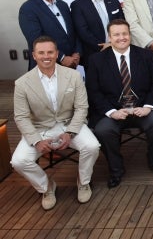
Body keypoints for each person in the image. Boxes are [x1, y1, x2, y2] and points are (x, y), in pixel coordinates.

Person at [11, 36, 100, 210]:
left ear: (57, 54)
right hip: (39, 129)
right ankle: (46, 187)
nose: (46, 56)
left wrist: (70, 132)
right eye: (41, 52)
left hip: (69, 124)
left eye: (50, 52)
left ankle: (83, 182)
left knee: (92, 146)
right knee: (19, 161)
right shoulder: (22, 83)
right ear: (34, 55)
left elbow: (82, 107)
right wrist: (36, 140)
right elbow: (21, 117)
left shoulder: (73, 76)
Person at [86, 19, 153, 188]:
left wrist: (148, 107)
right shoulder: (96, 60)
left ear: (130, 35)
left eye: (124, 33)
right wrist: (111, 112)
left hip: (142, 108)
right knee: (103, 130)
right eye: (116, 34)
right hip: (114, 111)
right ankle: (116, 170)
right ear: (109, 37)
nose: (121, 37)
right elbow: (93, 91)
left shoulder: (146, 55)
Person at [19, 0, 81, 70]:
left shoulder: (63, 5)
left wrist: (77, 53)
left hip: (70, 64)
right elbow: (36, 40)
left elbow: (74, 31)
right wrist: (62, 57)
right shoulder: (28, 8)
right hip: (46, 66)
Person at [71, 0, 125, 67]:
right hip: (93, 55)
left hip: (118, 51)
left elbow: (122, 25)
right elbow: (83, 31)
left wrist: (113, 44)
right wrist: (103, 46)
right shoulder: (77, 5)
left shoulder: (114, 2)